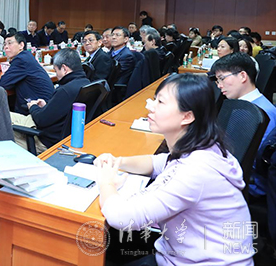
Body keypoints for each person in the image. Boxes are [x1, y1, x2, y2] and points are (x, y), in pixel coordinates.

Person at [95, 73, 253, 266]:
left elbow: (122, 217)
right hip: (182, 254)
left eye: (160, 102)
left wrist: (106, 182)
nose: (150, 106)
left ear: (187, 116)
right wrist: (118, 162)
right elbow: (157, 163)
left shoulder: (195, 171)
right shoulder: (205, 147)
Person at [211, 53, 276, 197]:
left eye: (222, 78)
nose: (219, 85)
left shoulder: (253, 113)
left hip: (249, 183)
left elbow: (237, 157)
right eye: (217, 80)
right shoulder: (253, 106)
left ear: (242, 76)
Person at [10, 49, 90, 154]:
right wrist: (47, 106)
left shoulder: (65, 90)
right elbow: (58, 111)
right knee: (3, 115)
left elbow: (41, 120)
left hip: (43, 140)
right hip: (60, 134)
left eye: (56, 71)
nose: (56, 75)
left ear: (64, 69)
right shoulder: (85, 83)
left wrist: (33, 106)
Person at [0, 32, 54, 115]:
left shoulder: (21, 60)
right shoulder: (26, 56)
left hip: (38, 110)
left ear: (21, 45)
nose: (6, 47)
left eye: (10, 43)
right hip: (45, 107)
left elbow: (3, 83)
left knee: (0, 115)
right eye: (4, 44)